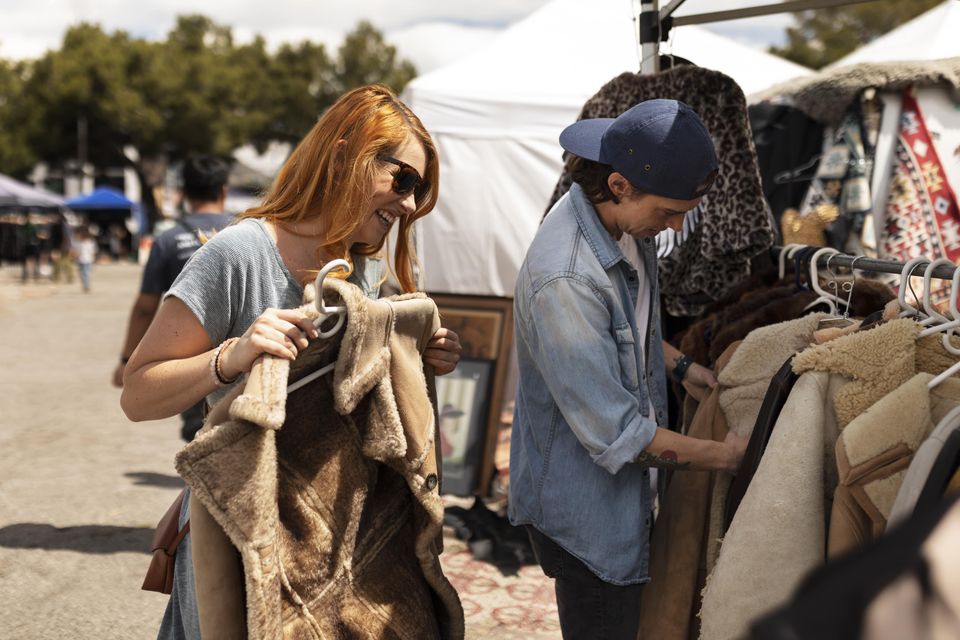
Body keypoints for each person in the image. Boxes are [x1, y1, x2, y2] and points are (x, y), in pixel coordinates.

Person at [120, 84, 462, 640]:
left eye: (418, 191)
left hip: (329, 540)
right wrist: (234, 354)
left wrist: (417, 358)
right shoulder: (237, 254)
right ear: (345, 153)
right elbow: (137, 394)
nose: (407, 203)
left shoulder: (363, 272)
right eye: (402, 179)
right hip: (238, 533)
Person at [509, 99, 748, 640]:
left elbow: (622, 328)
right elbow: (619, 436)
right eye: (669, 211)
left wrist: (679, 364)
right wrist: (727, 456)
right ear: (619, 184)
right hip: (587, 514)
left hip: (616, 499)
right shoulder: (566, 278)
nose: (676, 225)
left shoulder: (623, 229)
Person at [112, 155, 234, 441]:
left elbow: (145, 307)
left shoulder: (168, 240)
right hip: (242, 353)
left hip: (189, 358)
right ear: (224, 190)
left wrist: (127, 360)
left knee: (200, 435)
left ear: (184, 194)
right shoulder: (247, 232)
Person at [73, 225, 97, 293]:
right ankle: (85, 285)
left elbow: (92, 251)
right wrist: (75, 256)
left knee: (86, 273)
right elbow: (75, 251)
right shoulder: (77, 242)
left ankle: (87, 286)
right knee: (81, 274)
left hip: (87, 260)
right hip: (80, 260)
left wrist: (93, 259)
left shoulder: (89, 242)